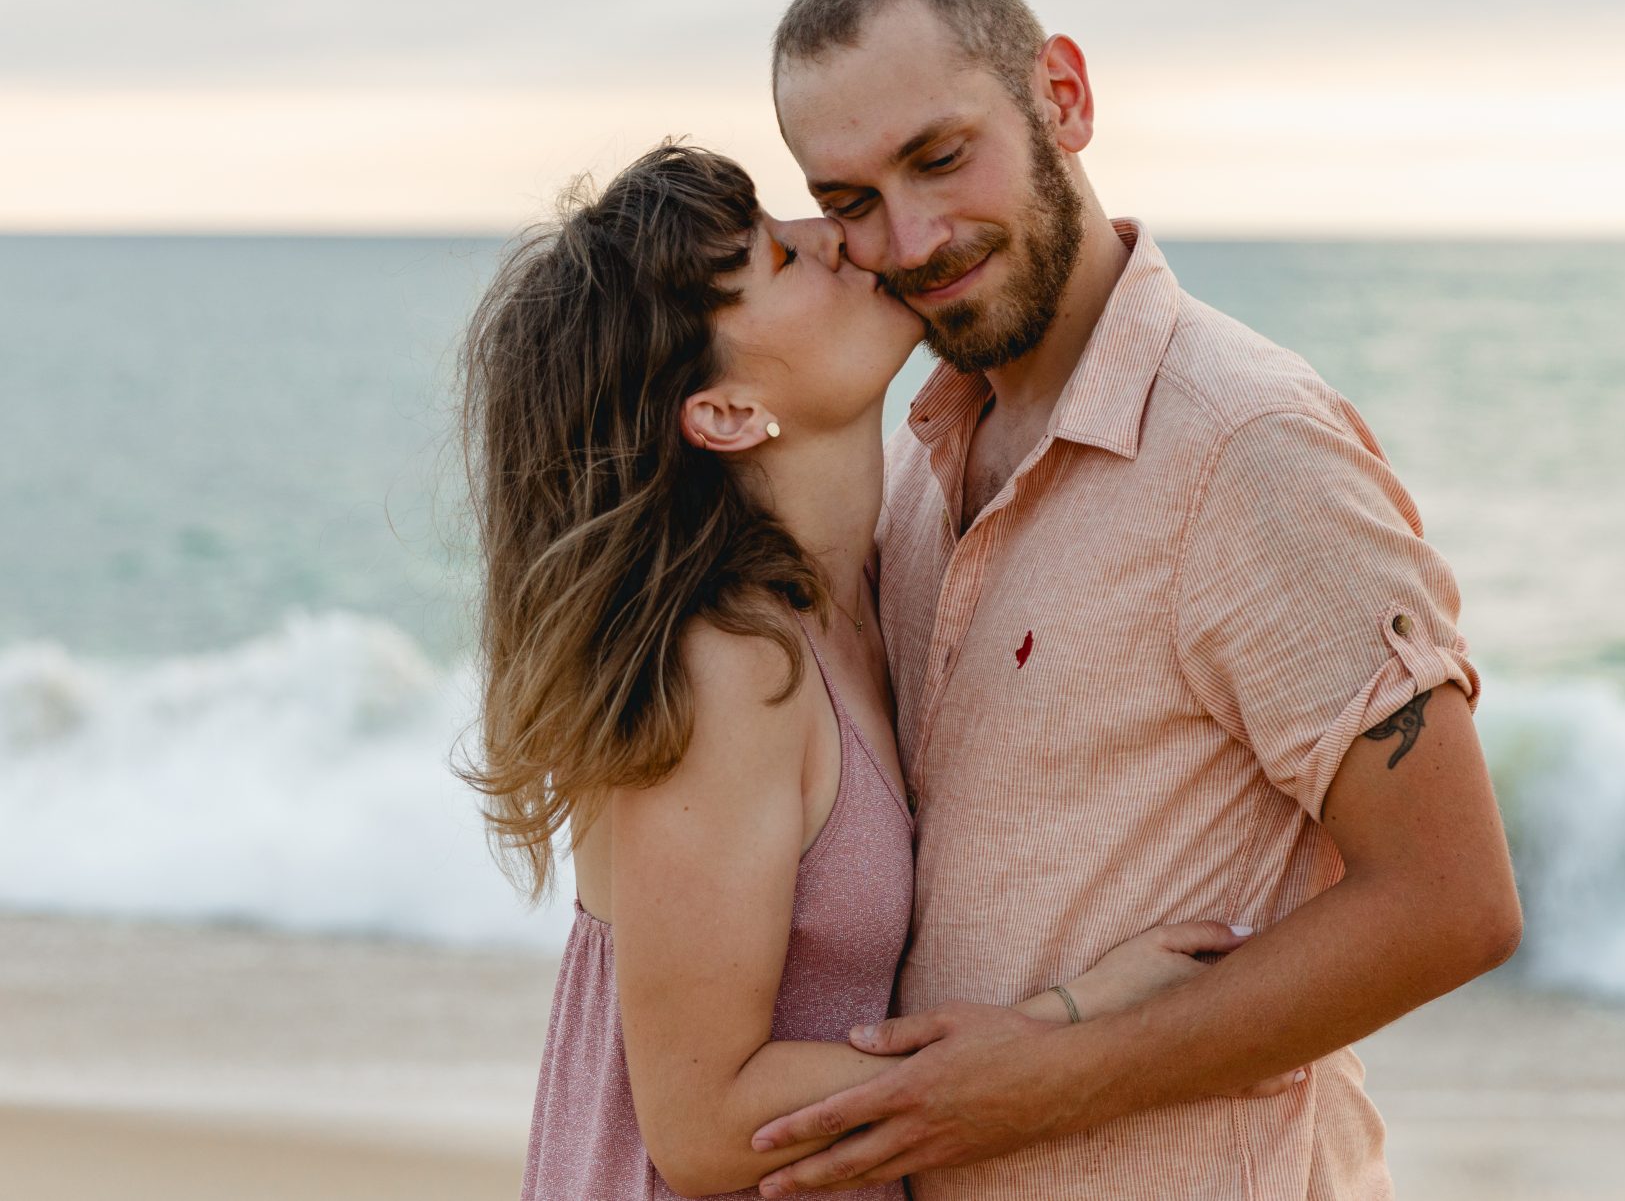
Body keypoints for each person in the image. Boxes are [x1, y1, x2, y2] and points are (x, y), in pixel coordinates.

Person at [745, 0, 1524, 1199]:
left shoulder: (1247, 447)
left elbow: (1450, 901)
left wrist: (1048, 1080)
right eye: (850, 202)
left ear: (1061, 96)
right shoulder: (916, 464)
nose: (911, 238)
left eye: (939, 158)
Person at [457, 144, 1293, 1200]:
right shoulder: (729, 668)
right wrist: (1076, 1025)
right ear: (723, 412)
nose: (835, 237)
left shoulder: (871, 586)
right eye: (779, 257)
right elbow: (704, 1124)